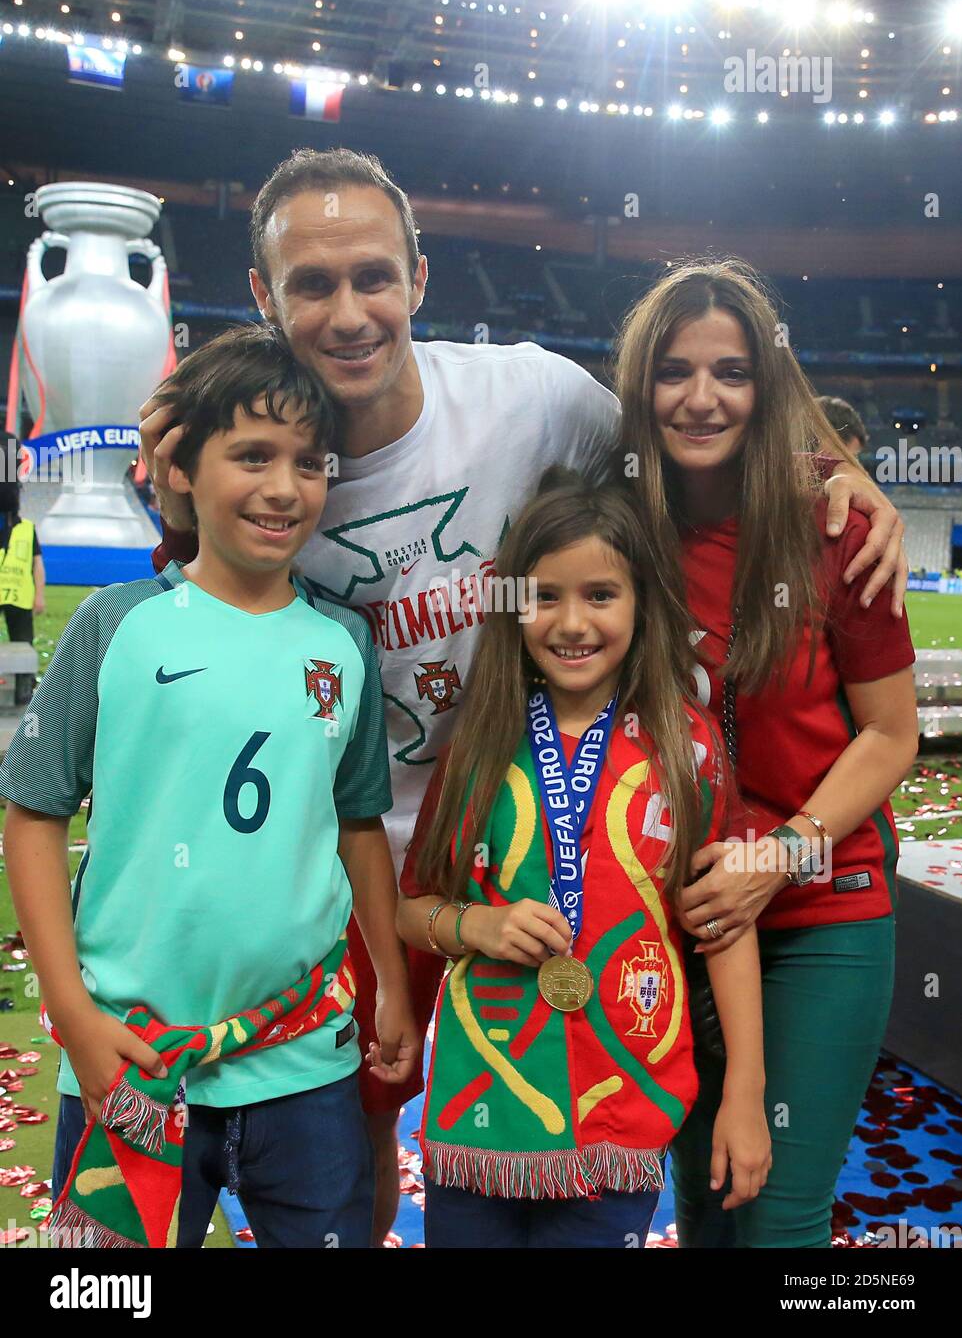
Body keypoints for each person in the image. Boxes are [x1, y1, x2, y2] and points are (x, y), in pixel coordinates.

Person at [138, 146, 908, 1239]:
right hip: (350, 864)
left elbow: (686, 422)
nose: (348, 312)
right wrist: (170, 491)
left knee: (648, 1158)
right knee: (346, 1162)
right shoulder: (263, 453)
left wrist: (838, 464)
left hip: (553, 850)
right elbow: (195, 611)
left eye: (371, 276)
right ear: (262, 297)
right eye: (311, 284)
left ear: (418, 272)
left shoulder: (533, 395)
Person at [0, 324, 417, 1249]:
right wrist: (68, 1011)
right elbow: (31, 811)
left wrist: (390, 978)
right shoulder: (119, 625)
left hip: (304, 1056)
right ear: (179, 467)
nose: (284, 487)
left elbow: (358, 828)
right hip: (130, 1056)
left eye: (309, 463)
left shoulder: (343, 642)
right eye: (252, 455)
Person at [614, 258, 919, 1247]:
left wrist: (778, 857)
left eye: (731, 371)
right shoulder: (616, 527)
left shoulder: (836, 529)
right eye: (673, 370)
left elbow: (889, 734)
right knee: (701, 1199)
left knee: (776, 1211)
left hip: (820, 906)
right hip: (678, 915)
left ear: (765, 383)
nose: (700, 397)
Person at [397, 468, 772, 1248]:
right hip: (483, 1110)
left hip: (625, 1103)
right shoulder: (478, 745)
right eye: (544, 596)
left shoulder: (688, 748)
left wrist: (744, 1088)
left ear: (641, 603)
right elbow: (412, 908)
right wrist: (478, 927)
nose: (571, 622)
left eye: (600, 595)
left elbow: (725, 928)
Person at [0, 433, 45, 705]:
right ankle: (23, 687)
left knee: (23, 639)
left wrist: (39, 593)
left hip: (18, 594)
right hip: (15, 593)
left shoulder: (26, 530)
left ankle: (24, 686)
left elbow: (37, 563)